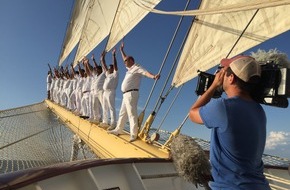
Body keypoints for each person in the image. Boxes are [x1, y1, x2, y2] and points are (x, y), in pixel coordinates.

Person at [188, 55, 271, 189]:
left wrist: (214, 85)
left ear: (231, 78)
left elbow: (192, 114)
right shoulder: (259, 110)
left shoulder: (223, 107)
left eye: (224, 73)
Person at [108, 42, 160, 142]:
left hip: (131, 93)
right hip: (125, 94)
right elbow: (124, 58)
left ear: (131, 60)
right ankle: (118, 129)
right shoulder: (129, 68)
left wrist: (153, 76)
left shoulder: (137, 68)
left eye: (126, 61)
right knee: (122, 113)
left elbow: (145, 73)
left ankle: (133, 134)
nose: (124, 62)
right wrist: (121, 50)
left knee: (132, 113)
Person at [100, 49, 119, 130]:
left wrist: (113, 55)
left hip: (111, 91)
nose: (108, 68)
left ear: (113, 69)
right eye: (108, 67)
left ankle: (113, 123)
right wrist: (102, 57)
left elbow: (115, 64)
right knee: (105, 107)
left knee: (111, 107)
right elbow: (103, 64)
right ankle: (105, 121)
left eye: (110, 67)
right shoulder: (108, 74)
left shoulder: (115, 74)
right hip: (105, 92)